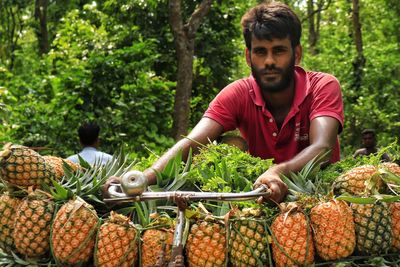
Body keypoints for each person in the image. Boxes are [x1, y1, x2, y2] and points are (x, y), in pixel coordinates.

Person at [106, 2, 344, 203]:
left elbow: (322, 147)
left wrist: (278, 171)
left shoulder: (322, 86)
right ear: (248, 57)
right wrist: (142, 179)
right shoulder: (238, 93)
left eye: (279, 50)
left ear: (297, 53)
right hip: (258, 200)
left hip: (319, 201)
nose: (269, 61)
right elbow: (195, 140)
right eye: (261, 52)